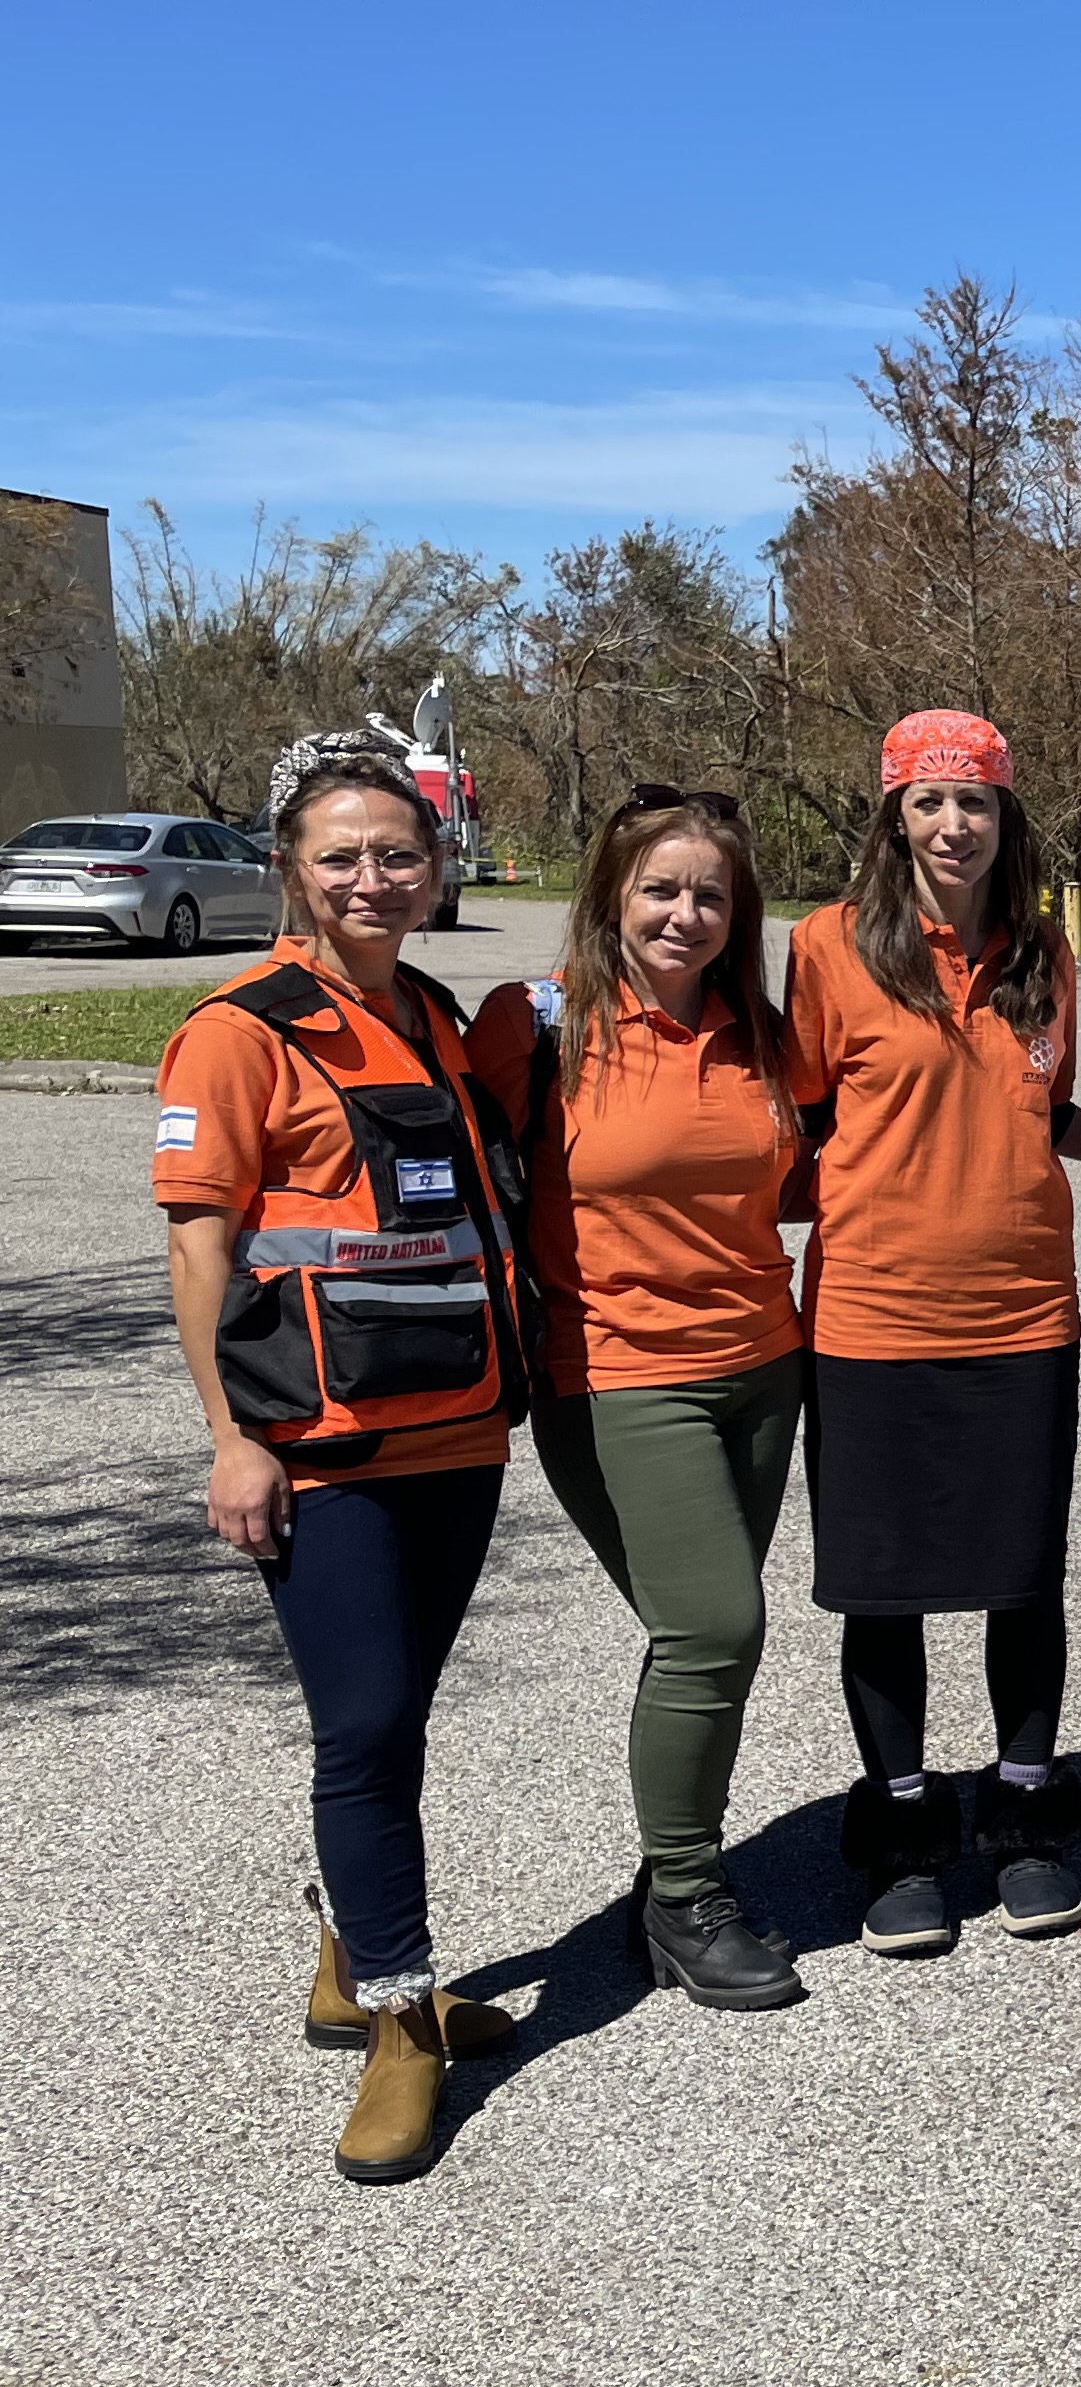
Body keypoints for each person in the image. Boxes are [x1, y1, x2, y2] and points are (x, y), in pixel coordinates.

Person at [154, 750, 531, 2181]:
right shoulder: (238, 1033)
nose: (374, 879)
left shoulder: (429, 1016)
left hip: (462, 1432)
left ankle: (351, 1944)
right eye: (342, 858)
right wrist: (227, 1438)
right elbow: (200, 1243)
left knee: (398, 1719)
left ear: (436, 867)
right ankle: (399, 2020)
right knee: (362, 1728)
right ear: (289, 870)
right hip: (320, 1448)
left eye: (399, 856)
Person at [468, 787, 813, 2011]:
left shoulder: (760, 1034)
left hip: (768, 1370)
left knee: (703, 1636)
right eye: (660, 888)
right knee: (716, 1628)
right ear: (613, 892)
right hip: (615, 1376)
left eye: (710, 893)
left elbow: (814, 1172)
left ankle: (676, 1861)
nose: (685, 913)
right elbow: (449, 1176)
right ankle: (683, 1896)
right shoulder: (537, 1022)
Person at [786, 710, 1081, 1958]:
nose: (953, 825)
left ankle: (1022, 1810)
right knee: (886, 1589)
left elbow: (1068, 1117)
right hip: (873, 1318)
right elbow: (797, 1122)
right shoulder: (825, 948)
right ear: (893, 816)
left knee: (1024, 1578)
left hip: (1025, 1314)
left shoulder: (1045, 952)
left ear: (1006, 818)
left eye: (976, 804)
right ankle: (906, 1831)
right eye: (928, 803)